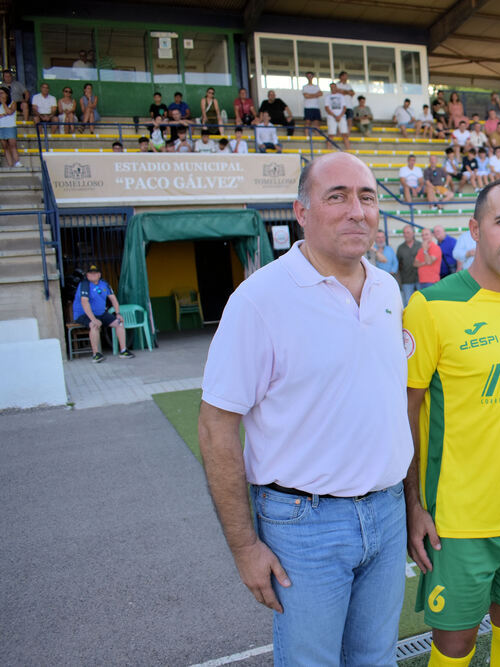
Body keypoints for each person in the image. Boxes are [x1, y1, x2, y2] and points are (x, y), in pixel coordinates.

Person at [199, 152, 411, 665]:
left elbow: (387, 403)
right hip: (304, 525)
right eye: (336, 196)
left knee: (375, 659)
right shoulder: (259, 300)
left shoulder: (386, 288)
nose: (356, 210)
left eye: (367, 196)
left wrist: (412, 501)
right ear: (301, 211)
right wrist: (245, 546)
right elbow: (215, 429)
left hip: (386, 515)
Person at [404, 178, 500, 667]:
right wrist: (413, 506)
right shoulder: (431, 306)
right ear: (474, 229)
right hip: (459, 522)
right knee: (456, 644)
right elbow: (405, 413)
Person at [72, 264, 134, 362]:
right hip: (84, 314)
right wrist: (93, 319)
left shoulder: (104, 284)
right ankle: (96, 354)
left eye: (95, 273)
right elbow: (84, 302)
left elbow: (113, 299)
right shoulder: (84, 284)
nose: (93, 275)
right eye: (90, 273)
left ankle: (123, 351)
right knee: (94, 325)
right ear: (87, 275)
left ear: (99, 274)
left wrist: (118, 314)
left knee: (119, 323)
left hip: (101, 313)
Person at [397, 225, 422, 305]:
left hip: (420, 279)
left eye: (408, 232)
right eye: (404, 233)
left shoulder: (420, 245)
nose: (406, 235)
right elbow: (399, 264)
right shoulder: (400, 248)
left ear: (413, 233)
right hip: (406, 280)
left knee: (421, 302)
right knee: (408, 303)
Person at [324, 82, 350, 150]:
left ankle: (348, 150)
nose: (333, 88)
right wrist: (335, 116)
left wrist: (340, 116)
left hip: (341, 116)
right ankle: (328, 149)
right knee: (331, 134)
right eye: (331, 87)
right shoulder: (328, 97)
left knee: (345, 134)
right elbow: (327, 108)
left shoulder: (341, 96)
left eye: (334, 87)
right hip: (332, 117)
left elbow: (344, 108)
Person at [0, 87, 22, 167]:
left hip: (10, 126)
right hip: (1, 127)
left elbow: (9, 111)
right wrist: (3, 114)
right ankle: (10, 164)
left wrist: (3, 103)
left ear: (6, 94)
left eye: (2, 93)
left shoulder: (13, 103)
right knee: (5, 146)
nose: (0, 95)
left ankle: (17, 162)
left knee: (12, 145)